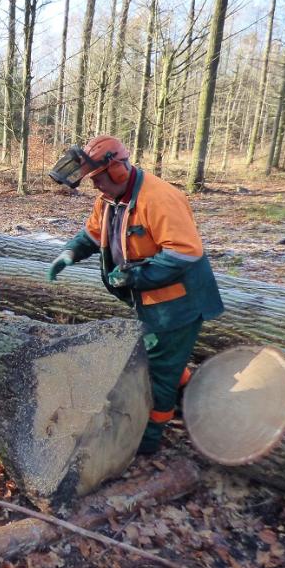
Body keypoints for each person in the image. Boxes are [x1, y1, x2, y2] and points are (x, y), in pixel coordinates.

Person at [47, 135, 224, 455]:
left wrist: (135, 275)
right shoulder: (110, 199)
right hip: (151, 301)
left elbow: (184, 252)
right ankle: (189, 398)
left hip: (178, 304)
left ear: (117, 169)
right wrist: (69, 253)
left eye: (98, 178)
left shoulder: (160, 198)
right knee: (159, 357)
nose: (96, 185)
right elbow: (93, 233)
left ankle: (150, 436)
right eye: (91, 180)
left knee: (159, 371)